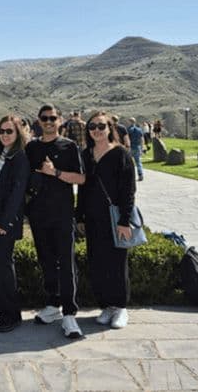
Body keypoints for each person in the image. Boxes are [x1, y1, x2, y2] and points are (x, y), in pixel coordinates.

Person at [25, 104, 85, 338]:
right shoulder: (32, 147)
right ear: (38, 121)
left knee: (65, 262)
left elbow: (81, 178)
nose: (48, 122)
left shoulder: (68, 147)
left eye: (52, 118)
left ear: (60, 120)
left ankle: (69, 313)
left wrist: (55, 173)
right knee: (46, 260)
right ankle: (53, 304)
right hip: (39, 214)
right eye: (44, 118)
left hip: (62, 213)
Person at [76, 110, 136, 330]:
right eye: (92, 127)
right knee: (98, 261)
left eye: (101, 126)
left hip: (115, 217)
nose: (97, 131)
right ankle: (107, 305)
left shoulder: (121, 154)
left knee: (117, 262)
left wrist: (124, 220)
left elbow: (128, 190)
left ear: (110, 128)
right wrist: (79, 215)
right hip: (93, 217)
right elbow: (83, 188)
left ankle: (120, 307)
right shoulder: (86, 154)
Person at [0, 115, 30, 332]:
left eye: (9, 131)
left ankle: (11, 315)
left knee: (4, 266)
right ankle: (1, 307)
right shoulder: (0, 151)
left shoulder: (20, 157)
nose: (4, 135)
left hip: (6, 218)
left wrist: (5, 222)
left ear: (18, 133)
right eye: (1, 131)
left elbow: (17, 193)